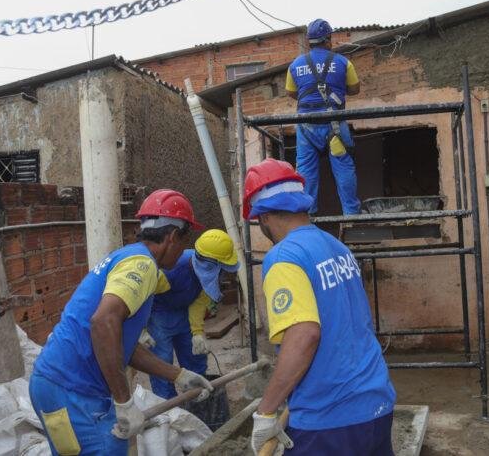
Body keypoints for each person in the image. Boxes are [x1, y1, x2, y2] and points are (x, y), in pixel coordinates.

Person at [29, 190, 215, 455]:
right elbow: (103, 322)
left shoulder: (127, 255)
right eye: (186, 239)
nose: (184, 248)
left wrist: (179, 374)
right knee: (113, 447)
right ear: (173, 237)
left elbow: (120, 344)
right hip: (73, 391)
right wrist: (124, 401)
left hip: (53, 385)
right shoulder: (142, 265)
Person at [242, 158, 396, 455]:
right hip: (376, 404)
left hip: (328, 420)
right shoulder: (338, 247)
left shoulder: (284, 257)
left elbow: (304, 336)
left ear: (262, 217)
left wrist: (266, 411)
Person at [147, 228, 239, 399]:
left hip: (184, 312)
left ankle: (197, 400)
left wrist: (197, 333)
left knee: (195, 355)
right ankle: (168, 410)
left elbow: (198, 303)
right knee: (162, 363)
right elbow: (144, 296)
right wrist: (142, 329)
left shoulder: (208, 275)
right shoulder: (170, 269)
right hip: (158, 314)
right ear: (209, 262)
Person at [285, 18, 361, 215]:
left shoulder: (295, 65)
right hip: (334, 125)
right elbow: (354, 89)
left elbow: (292, 93)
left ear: (309, 41)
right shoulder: (343, 62)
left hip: (306, 126)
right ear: (328, 40)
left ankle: (307, 217)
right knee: (343, 168)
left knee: (306, 171)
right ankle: (352, 215)